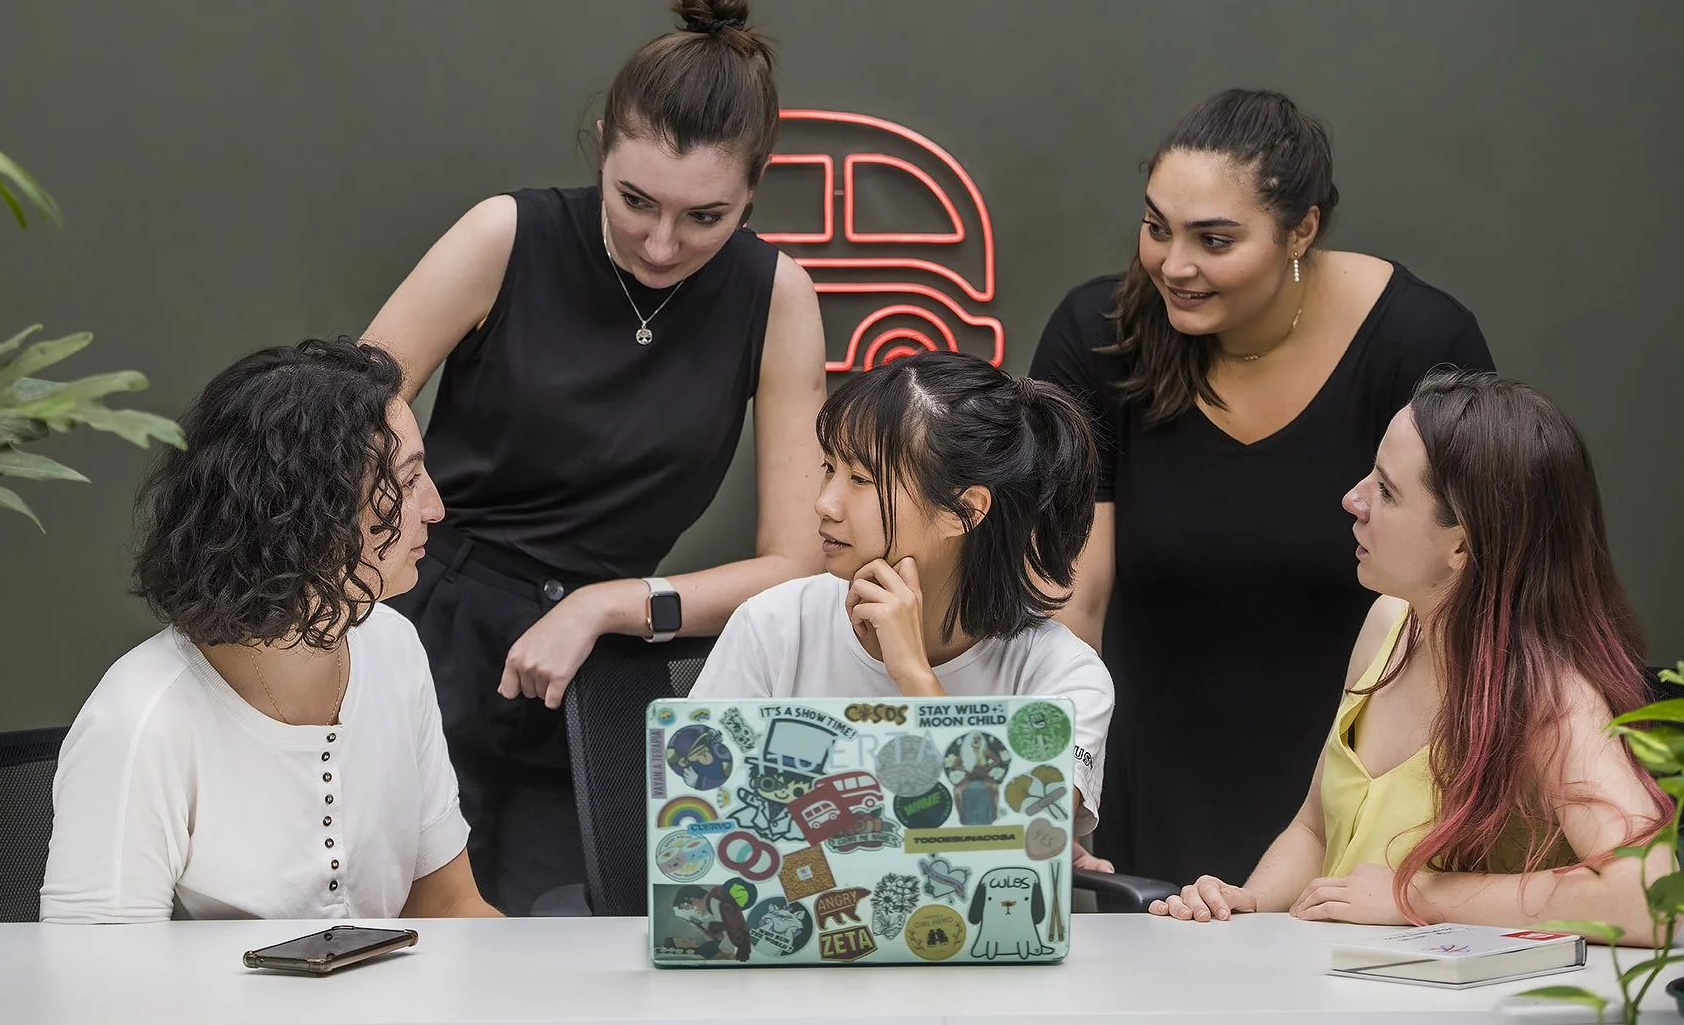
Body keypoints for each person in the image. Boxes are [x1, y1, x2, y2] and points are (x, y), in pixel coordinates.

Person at [362, 0, 826, 913]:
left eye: (705, 217)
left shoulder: (775, 298)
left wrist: (614, 604)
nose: (661, 244)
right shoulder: (506, 236)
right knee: (398, 931)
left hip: (601, 661)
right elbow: (346, 416)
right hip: (429, 630)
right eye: (636, 201)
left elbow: (798, 562)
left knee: (577, 943)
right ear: (603, 146)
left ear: (753, 191)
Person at [1030, 89, 1493, 885]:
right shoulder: (1096, 337)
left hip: (1350, 800)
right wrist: (1054, 796)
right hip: (1146, 790)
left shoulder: (1420, 342)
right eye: (1157, 228)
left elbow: (1462, 597)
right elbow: (1074, 597)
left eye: (1214, 240)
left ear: (1301, 229)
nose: (1175, 265)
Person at [1152, 370, 1670, 941]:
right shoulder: (1390, 624)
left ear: (1462, 544)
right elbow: (1316, 831)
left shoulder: (1552, 696)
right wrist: (1246, 903)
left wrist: (1419, 894)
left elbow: (1653, 897)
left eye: (1387, 490)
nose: (1353, 500)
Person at [42, 339, 498, 922]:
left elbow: (450, 903)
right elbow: (95, 972)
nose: (435, 507)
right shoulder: (142, 718)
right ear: (313, 512)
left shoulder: (393, 646)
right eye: (407, 482)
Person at [691, 351, 1115, 854]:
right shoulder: (773, 625)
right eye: (829, 468)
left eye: (861, 480)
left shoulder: (1062, 674)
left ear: (964, 510)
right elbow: (697, 828)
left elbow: (1019, 844)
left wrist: (914, 677)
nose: (824, 503)